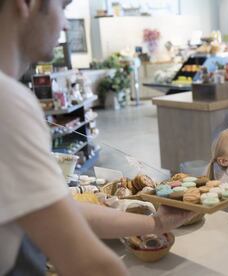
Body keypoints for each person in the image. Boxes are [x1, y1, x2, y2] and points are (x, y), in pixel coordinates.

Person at [0, 1, 194, 275]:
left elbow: (65, 213)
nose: (66, 24)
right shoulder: (8, 102)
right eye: (62, 7)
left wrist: (156, 224)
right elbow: (86, 262)